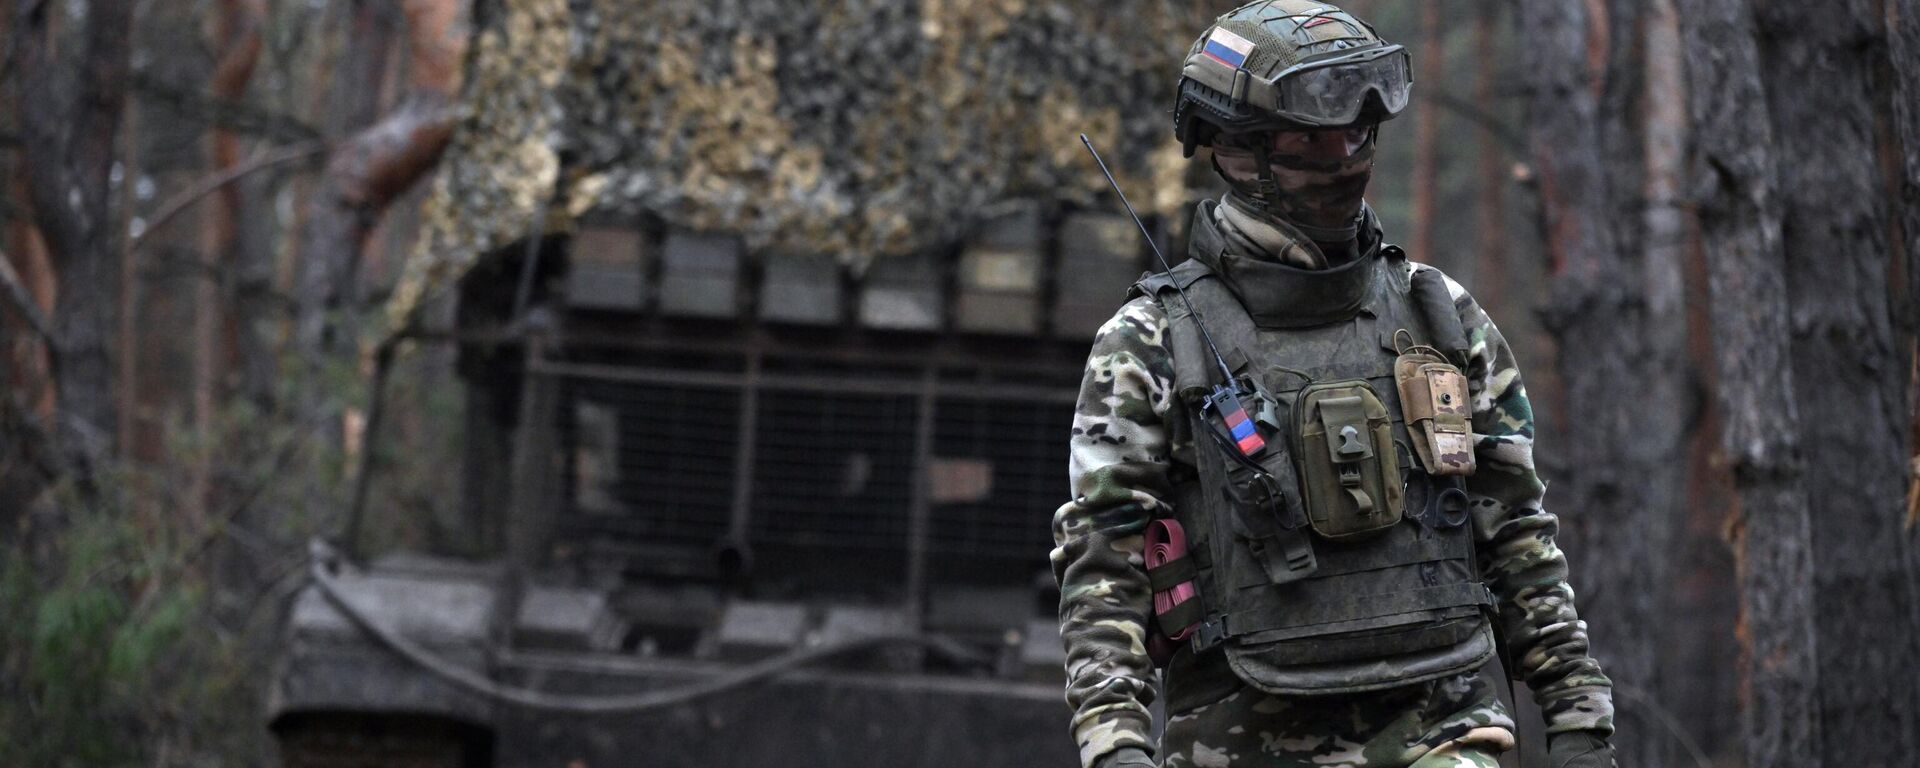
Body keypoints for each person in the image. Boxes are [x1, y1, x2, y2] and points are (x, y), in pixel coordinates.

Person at [1051, 3, 1616, 767]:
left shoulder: (1440, 317)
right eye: (1310, 137)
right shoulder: (1153, 344)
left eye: (1358, 132)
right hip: (1239, 739)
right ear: (1239, 151)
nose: (1344, 156)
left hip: (1443, 727)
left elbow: (1516, 532)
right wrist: (1114, 746)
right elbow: (1104, 569)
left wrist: (1578, 716)